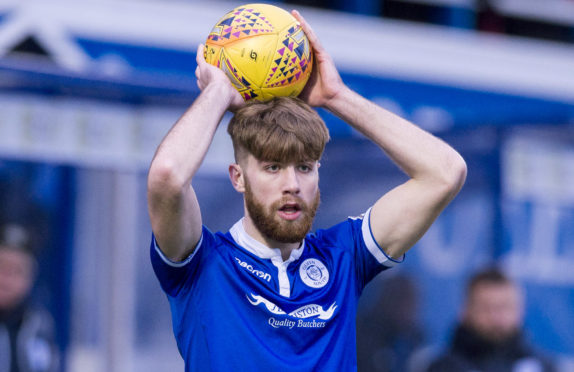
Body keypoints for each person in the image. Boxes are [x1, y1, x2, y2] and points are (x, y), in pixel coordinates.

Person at [147, 9, 467, 371]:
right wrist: (220, 91)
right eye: (272, 168)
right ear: (237, 177)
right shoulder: (203, 262)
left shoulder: (344, 257)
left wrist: (335, 96)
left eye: (304, 167)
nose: (292, 185)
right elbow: (168, 176)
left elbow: (445, 172)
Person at [425, 267, 556, 372]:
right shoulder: (443, 368)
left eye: (505, 307)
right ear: (465, 312)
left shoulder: (544, 367)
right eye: (486, 308)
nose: (496, 318)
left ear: (520, 311)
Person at [0, 223, 59, 372]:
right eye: (1, 267)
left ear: (30, 277)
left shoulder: (41, 325)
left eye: (17, 271)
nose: (6, 280)